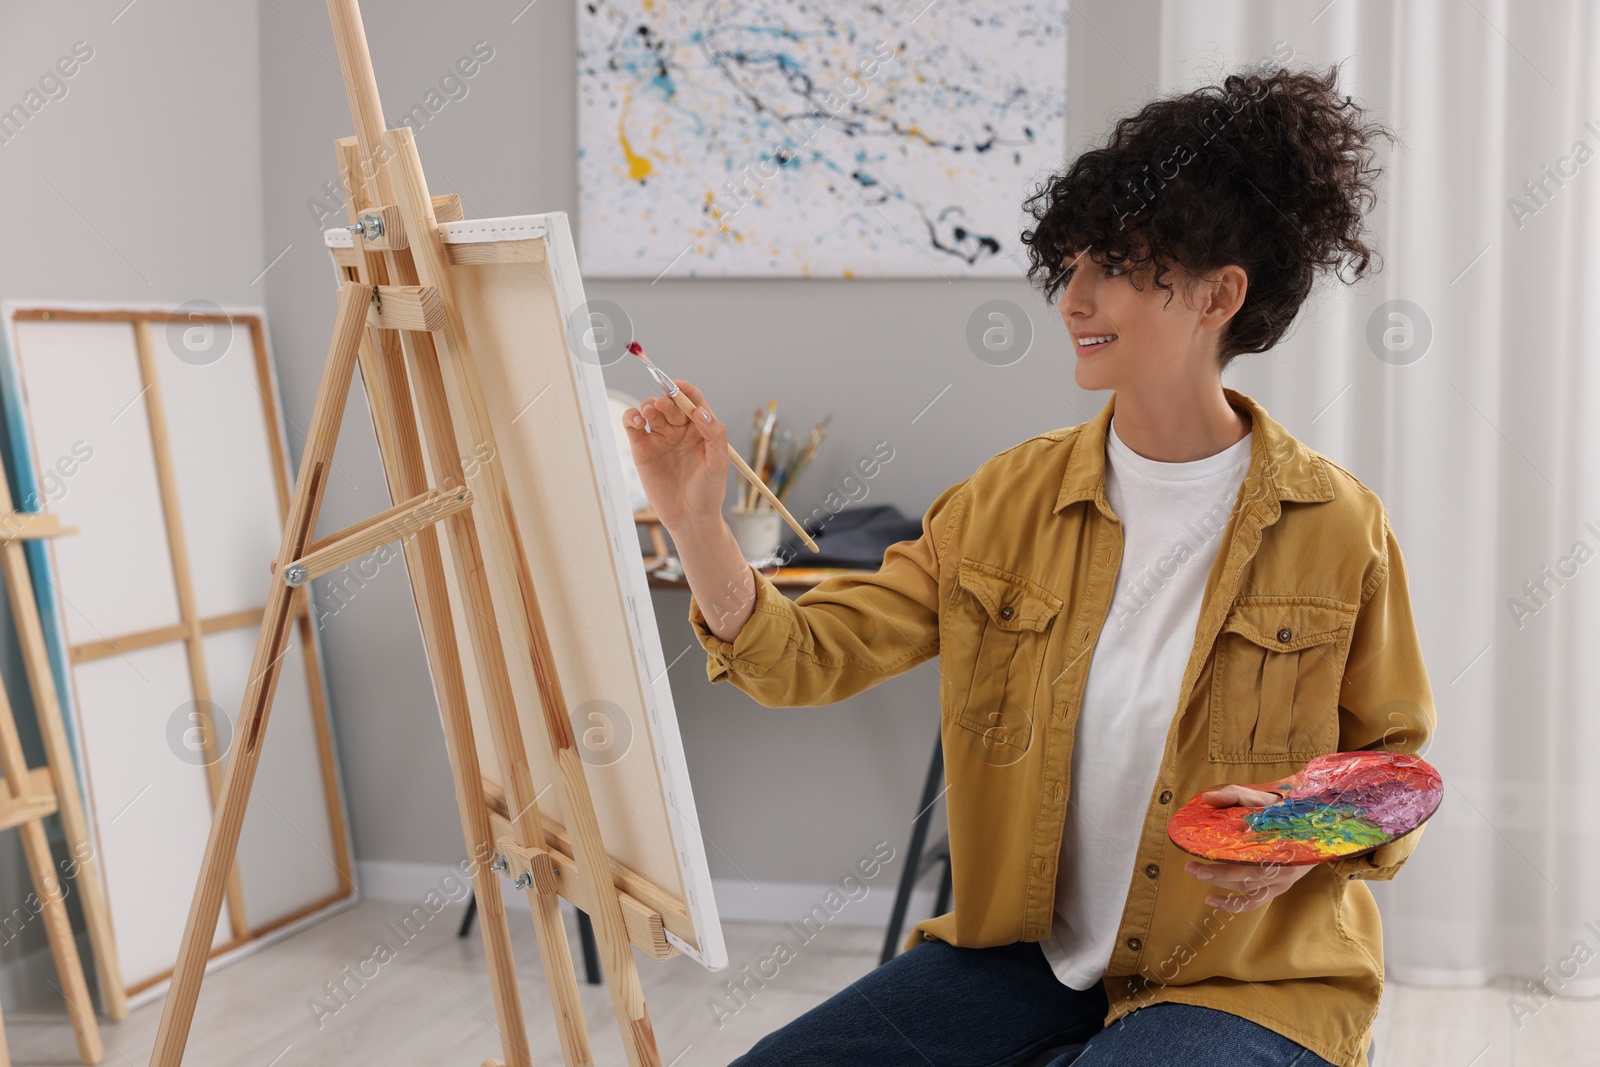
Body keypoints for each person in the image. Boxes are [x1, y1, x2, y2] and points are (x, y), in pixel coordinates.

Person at [621, 63, 1433, 1067]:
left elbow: (1394, 764)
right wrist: (692, 518)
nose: (1074, 298)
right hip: (1022, 961)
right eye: (1072, 264)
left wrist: (1304, 831)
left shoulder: (1336, 525)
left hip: (1250, 982)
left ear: (1221, 294)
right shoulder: (1006, 502)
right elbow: (805, 655)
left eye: (1120, 268)